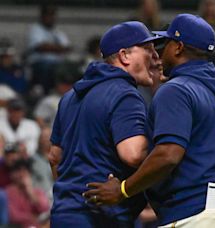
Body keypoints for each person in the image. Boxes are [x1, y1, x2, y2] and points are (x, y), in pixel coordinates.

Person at [83, 14, 215, 228]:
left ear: (178, 47)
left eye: (165, 45)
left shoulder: (176, 89)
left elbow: (168, 154)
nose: (158, 55)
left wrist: (124, 189)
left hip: (198, 211)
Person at [47, 21, 161, 227]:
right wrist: (168, 146)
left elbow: (55, 158)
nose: (155, 57)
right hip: (99, 216)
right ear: (124, 55)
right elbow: (133, 153)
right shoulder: (125, 94)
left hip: (65, 213)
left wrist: (71, 196)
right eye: (147, 49)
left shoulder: (70, 96)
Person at [26, 4, 71, 95]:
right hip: (39, 63)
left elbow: (68, 47)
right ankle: (46, 93)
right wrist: (58, 48)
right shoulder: (36, 29)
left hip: (58, 63)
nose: (51, 17)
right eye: (48, 15)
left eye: (53, 15)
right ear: (42, 16)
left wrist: (50, 47)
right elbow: (40, 47)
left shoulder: (57, 31)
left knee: (73, 67)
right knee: (48, 67)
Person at [5, 158, 50, 228]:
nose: (22, 174)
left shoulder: (37, 191)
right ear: (12, 174)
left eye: (25, 171)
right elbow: (12, 216)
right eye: (18, 170)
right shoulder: (8, 192)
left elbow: (45, 209)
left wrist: (30, 191)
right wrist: (32, 218)